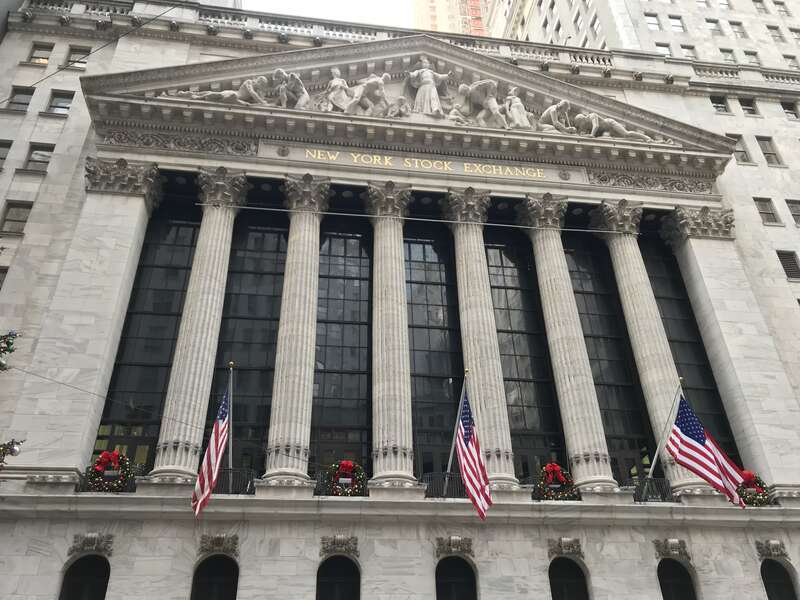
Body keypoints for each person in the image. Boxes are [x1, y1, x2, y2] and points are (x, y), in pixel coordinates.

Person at [574, 112, 653, 142]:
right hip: (606, 132)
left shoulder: (592, 115)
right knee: (626, 140)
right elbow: (580, 133)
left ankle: (646, 138)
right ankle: (641, 141)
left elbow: (596, 125)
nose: (580, 126)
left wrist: (591, 135)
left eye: (579, 124)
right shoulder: (585, 125)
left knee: (626, 134)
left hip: (610, 124)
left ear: (582, 120)